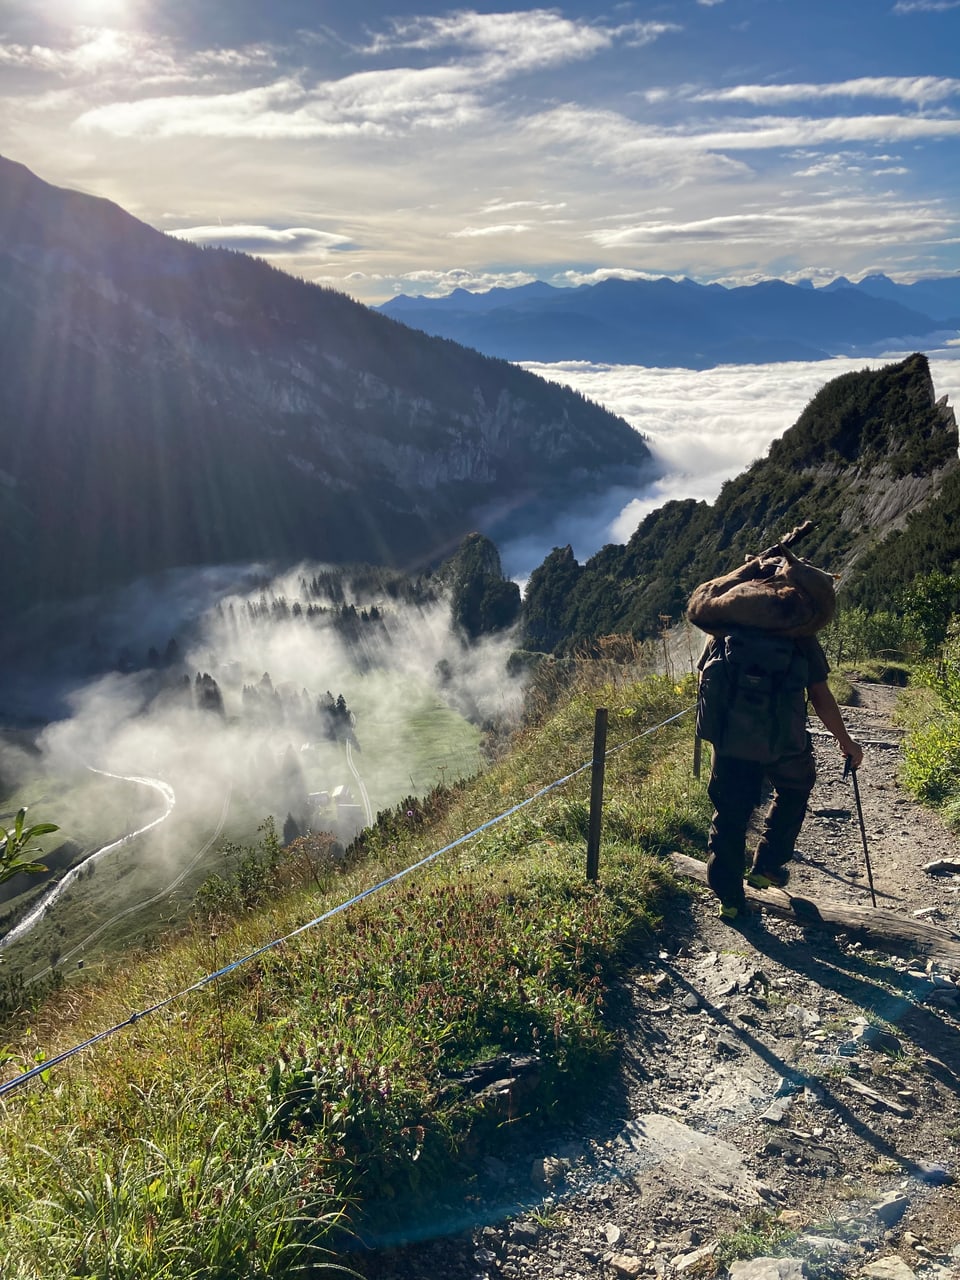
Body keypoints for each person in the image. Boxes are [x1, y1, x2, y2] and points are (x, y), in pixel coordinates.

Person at [700, 632, 864, 920]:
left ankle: (730, 900)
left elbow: (705, 682)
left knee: (729, 814)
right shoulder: (798, 632)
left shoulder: (723, 625)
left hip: (731, 742)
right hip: (785, 742)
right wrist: (845, 741)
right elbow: (819, 696)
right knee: (795, 787)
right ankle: (767, 865)